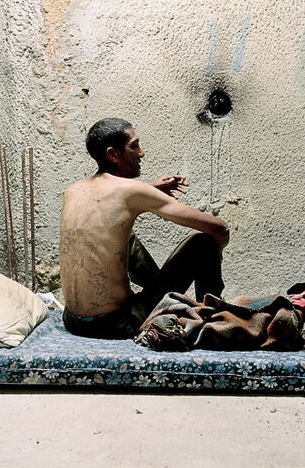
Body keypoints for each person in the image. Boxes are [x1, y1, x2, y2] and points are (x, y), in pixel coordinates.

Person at [58, 117, 229, 339]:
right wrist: (218, 249)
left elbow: (112, 207)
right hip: (115, 324)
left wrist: (150, 191)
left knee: (120, 232)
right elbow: (219, 228)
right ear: (113, 154)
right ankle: (212, 322)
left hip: (73, 321)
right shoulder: (131, 191)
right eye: (135, 146)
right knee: (204, 242)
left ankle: (161, 295)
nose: (141, 153)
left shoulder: (73, 190)